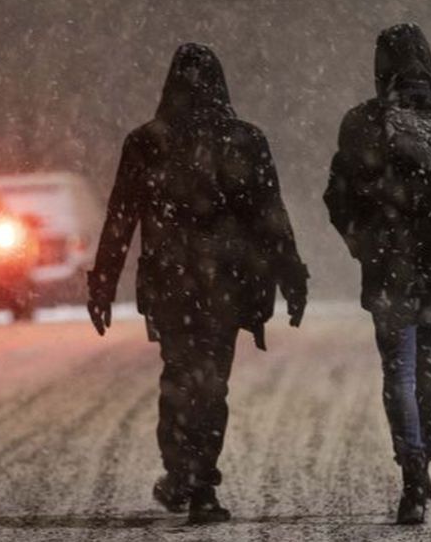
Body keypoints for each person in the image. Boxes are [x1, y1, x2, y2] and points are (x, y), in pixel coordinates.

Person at [87, 43, 308, 524]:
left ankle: (181, 471)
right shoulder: (246, 140)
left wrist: (102, 283)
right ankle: (203, 480)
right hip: (227, 283)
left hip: (171, 282)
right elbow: (271, 217)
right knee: (212, 381)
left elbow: (121, 218)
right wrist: (291, 275)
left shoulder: (147, 142)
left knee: (178, 374)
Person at [324, 23, 431, 524]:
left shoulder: (362, 121)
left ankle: (411, 466)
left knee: (398, 372)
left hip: (388, 271)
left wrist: (366, 247)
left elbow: (338, 198)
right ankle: (421, 467)